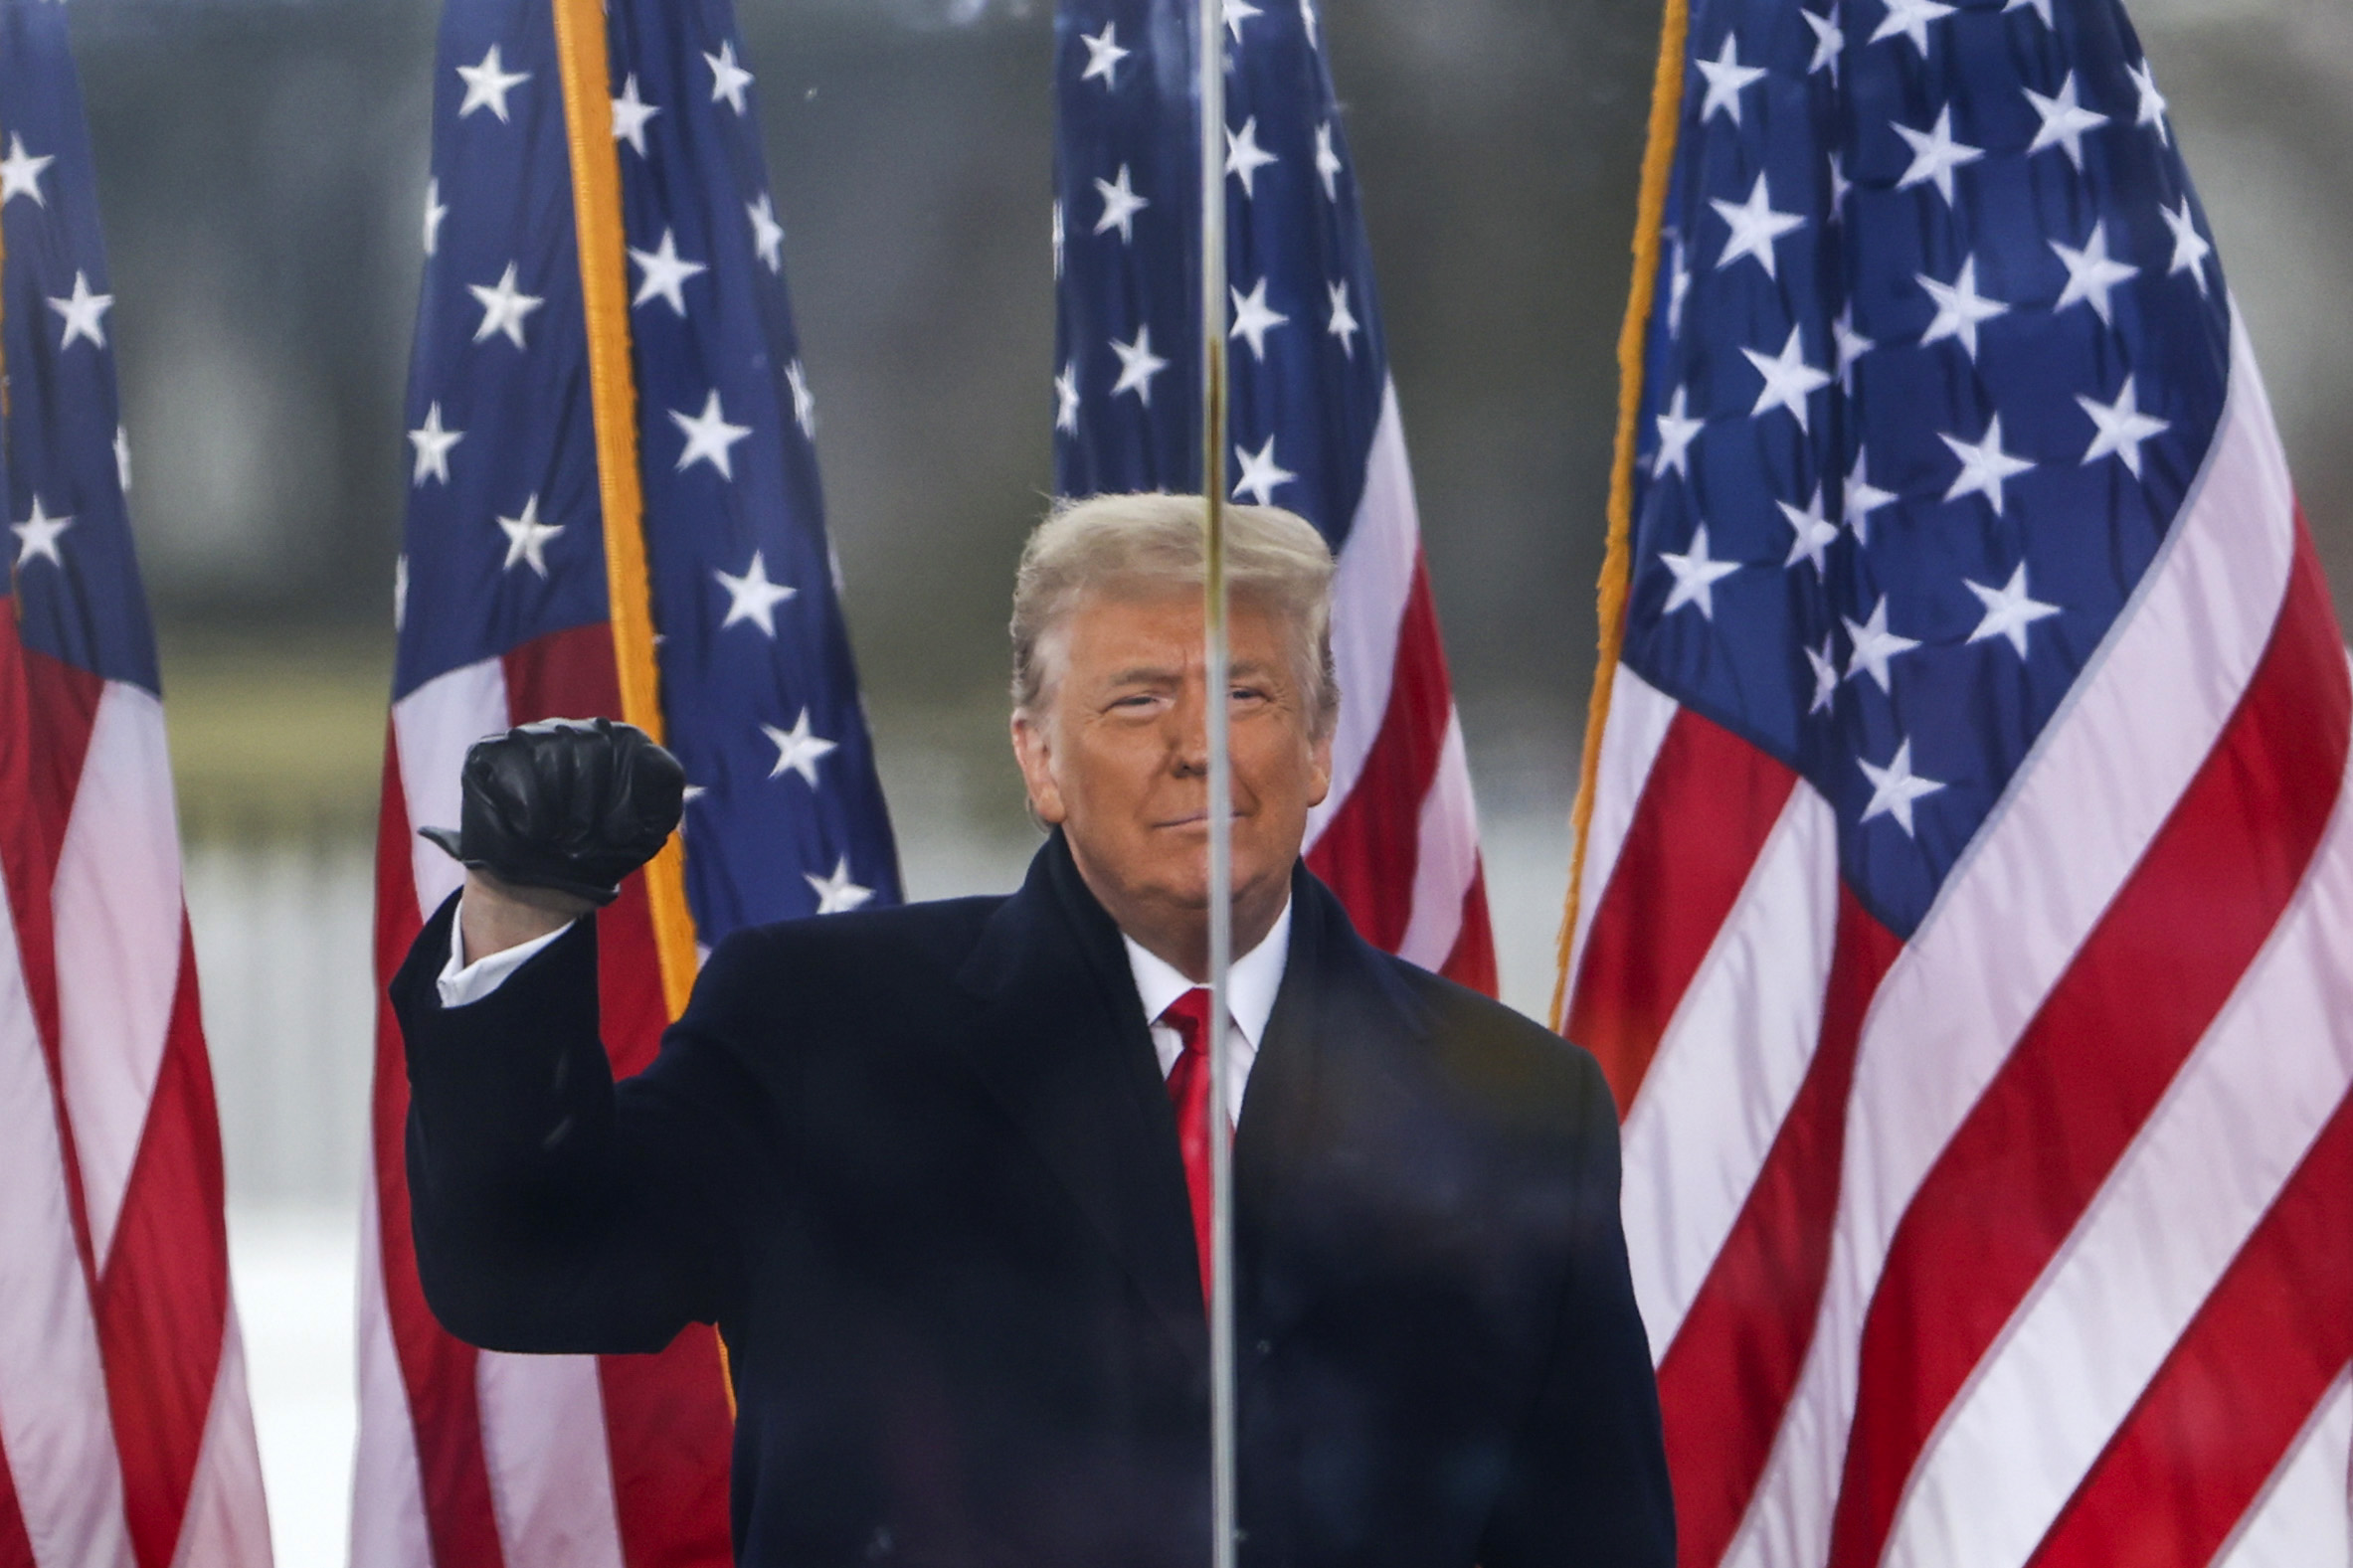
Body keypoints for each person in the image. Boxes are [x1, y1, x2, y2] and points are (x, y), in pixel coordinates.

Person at [395, 492, 1674, 1567]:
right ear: (1038, 759)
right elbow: (525, 1261)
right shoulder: (816, 1029)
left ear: (1321, 741)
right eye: (1134, 700)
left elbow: (1590, 1530)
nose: (1197, 750)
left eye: (1247, 693)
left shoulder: (1514, 1101)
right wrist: (526, 905)